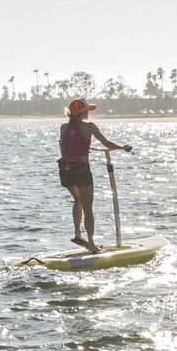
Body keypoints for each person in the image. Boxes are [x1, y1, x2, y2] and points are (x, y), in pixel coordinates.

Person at [57, 98, 131, 252]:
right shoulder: (89, 127)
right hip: (81, 168)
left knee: (77, 200)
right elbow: (106, 143)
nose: (89, 113)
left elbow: (65, 146)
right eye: (87, 111)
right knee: (88, 207)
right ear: (83, 113)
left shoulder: (63, 127)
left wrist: (82, 148)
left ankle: (78, 234)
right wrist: (121, 147)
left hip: (65, 169)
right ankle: (91, 243)